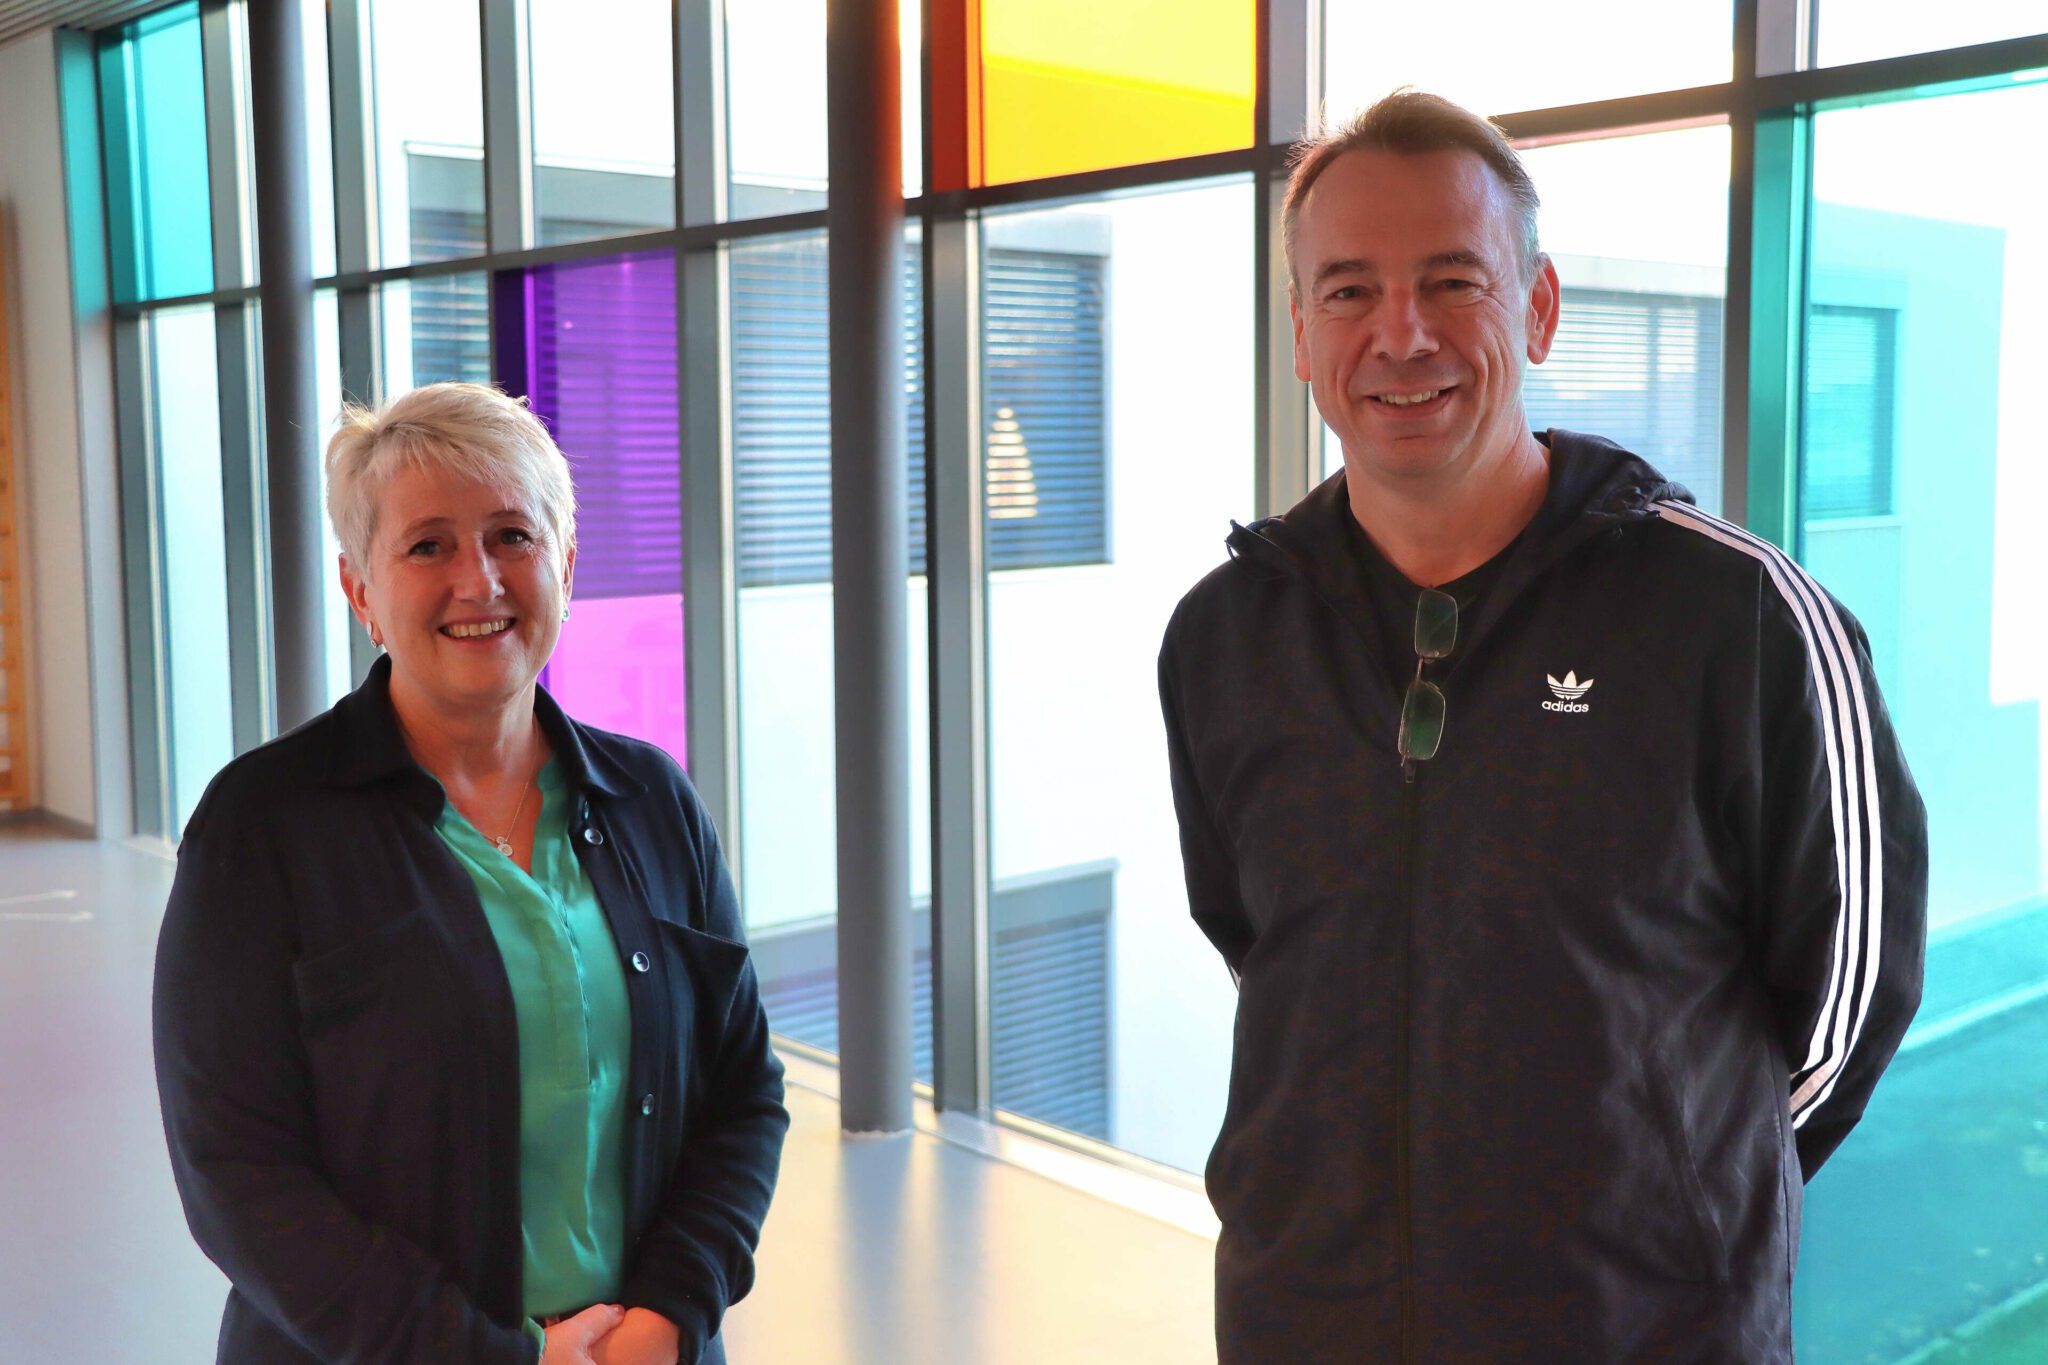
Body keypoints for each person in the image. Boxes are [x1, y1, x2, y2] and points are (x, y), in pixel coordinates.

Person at [1157, 91, 1927, 1362]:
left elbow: (1850, 1000)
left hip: (1639, 1330)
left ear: (1538, 306)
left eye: (1450, 281)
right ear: (1298, 331)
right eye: (1347, 291)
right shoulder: (1223, 635)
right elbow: (1260, 945)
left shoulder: (1736, 618)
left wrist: (1665, 1195)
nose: (1399, 334)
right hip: (1302, 1320)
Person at [154, 382, 787, 1364]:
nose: (479, 580)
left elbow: (742, 1093)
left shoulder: (653, 800)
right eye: (427, 546)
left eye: (511, 536)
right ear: (360, 591)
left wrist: (669, 1311)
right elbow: (238, 1176)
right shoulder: (261, 828)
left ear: (564, 563)